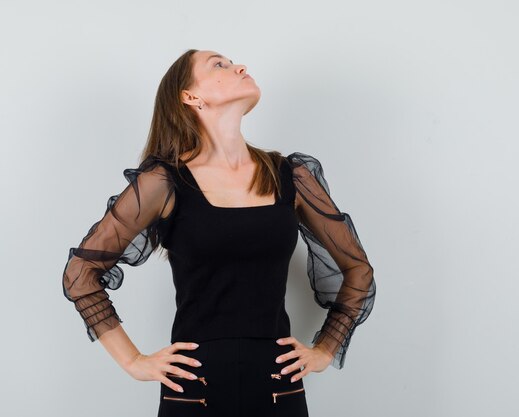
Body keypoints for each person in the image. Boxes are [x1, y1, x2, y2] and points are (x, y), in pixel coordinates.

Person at [61, 49, 376, 417]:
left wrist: (325, 349)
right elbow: (80, 274)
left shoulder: (289, 176)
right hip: (194, 389)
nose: (240, 66)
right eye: (220, 64)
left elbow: (358, 270)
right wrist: (133, 361)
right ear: (190, 97)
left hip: (279, 388)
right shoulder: (164, 182)